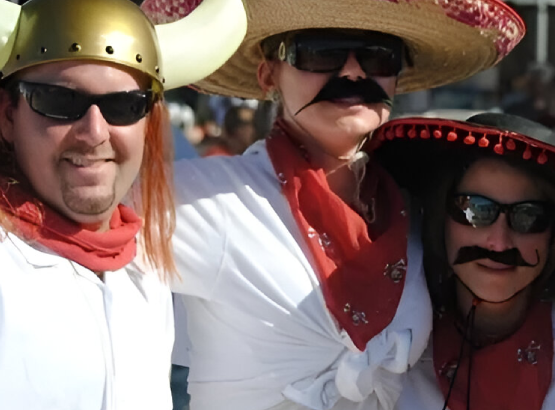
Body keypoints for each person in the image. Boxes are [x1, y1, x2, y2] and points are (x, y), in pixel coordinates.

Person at [139, 0, 526, 409]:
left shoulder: (417, 210)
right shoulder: (211, 197)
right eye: (322, 53)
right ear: (268, 74)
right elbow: (75, 234)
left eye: (379, 56)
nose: (354, 72)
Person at [0, 0, 245, 408]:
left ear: (148, 122)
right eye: (59, 102)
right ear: (8, 117)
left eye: (124, 106)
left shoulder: (145, 272)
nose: (94, 132)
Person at [369, 112, 555, 410]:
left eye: (528, 217)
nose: (499, 241)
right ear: (441, 218)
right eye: (475, 211)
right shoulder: (384, 341)